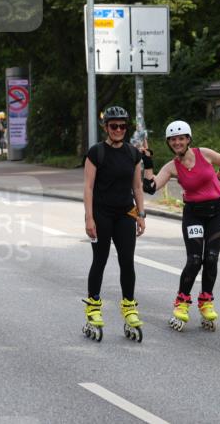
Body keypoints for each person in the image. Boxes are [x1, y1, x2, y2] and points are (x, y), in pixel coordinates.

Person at [142, 120, 220, 331]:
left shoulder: (205, 154)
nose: (177, 142)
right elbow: (151, 187)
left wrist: (218, 180)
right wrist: (147, 164)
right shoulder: (172, 167)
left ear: (188, 139)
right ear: (169, 143)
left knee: (210, 257)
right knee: (194, 259)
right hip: (193, 214)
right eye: (173, 140)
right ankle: (181, 303)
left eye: (181, 138)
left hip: (217, 212)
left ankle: (206, 301)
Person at [83, 106, 146, 342]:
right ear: (106, 128)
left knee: (127, 261)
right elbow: (88, 187)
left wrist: (141, 214)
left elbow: (137, 187)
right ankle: (93, 308)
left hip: (125, 214)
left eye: (122, 126)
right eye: (113, 126)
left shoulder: (133, 153)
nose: (118, 130)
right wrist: (89, 218)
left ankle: (129, 308)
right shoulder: (96, 153)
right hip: (101, 214)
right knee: (99, 260)